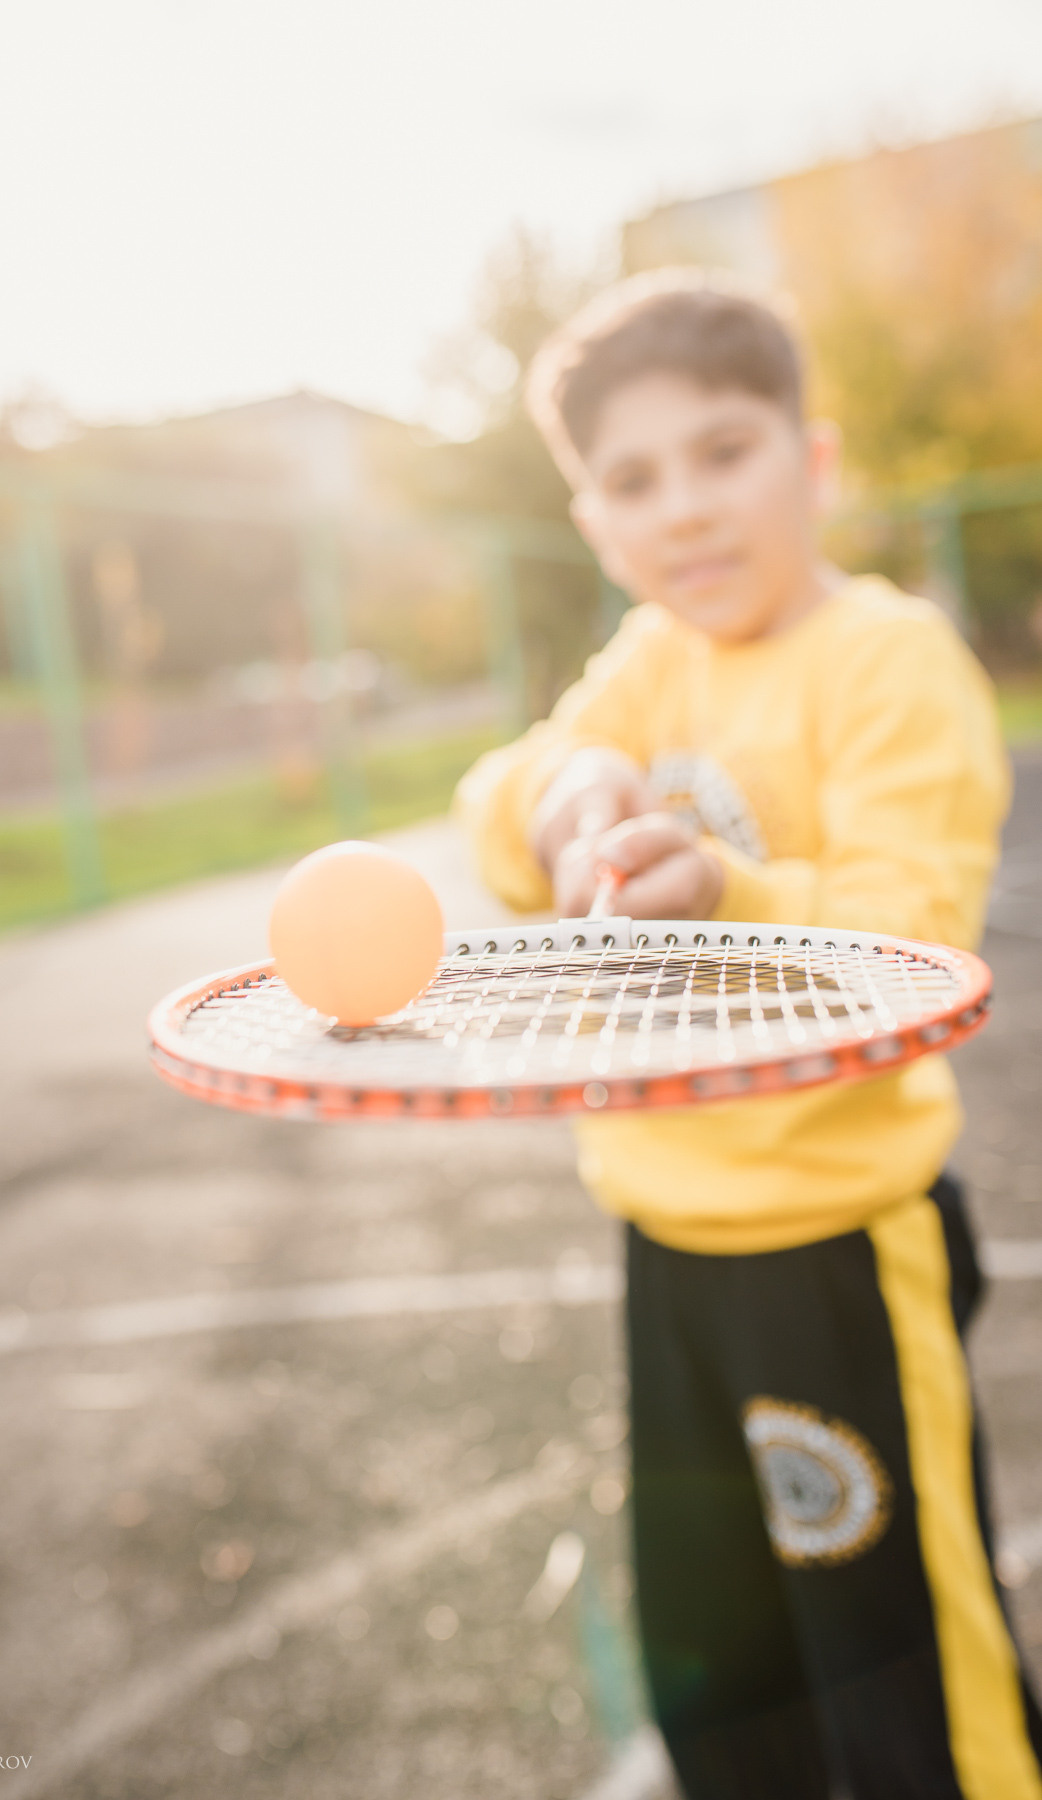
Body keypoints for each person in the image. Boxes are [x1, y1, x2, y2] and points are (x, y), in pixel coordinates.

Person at [456, 270, 1042, 1800]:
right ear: (593, 524)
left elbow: (911, 949)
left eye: (724, 452)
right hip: (666, 1241)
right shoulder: (648, 660)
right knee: (720, 1665)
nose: (685, 511)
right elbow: (503, 804)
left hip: (838, 1249)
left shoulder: (887, 659)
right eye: (632, 480)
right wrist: (566, 789)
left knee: (900, 1656)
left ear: (815, 461)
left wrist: (722, 888)